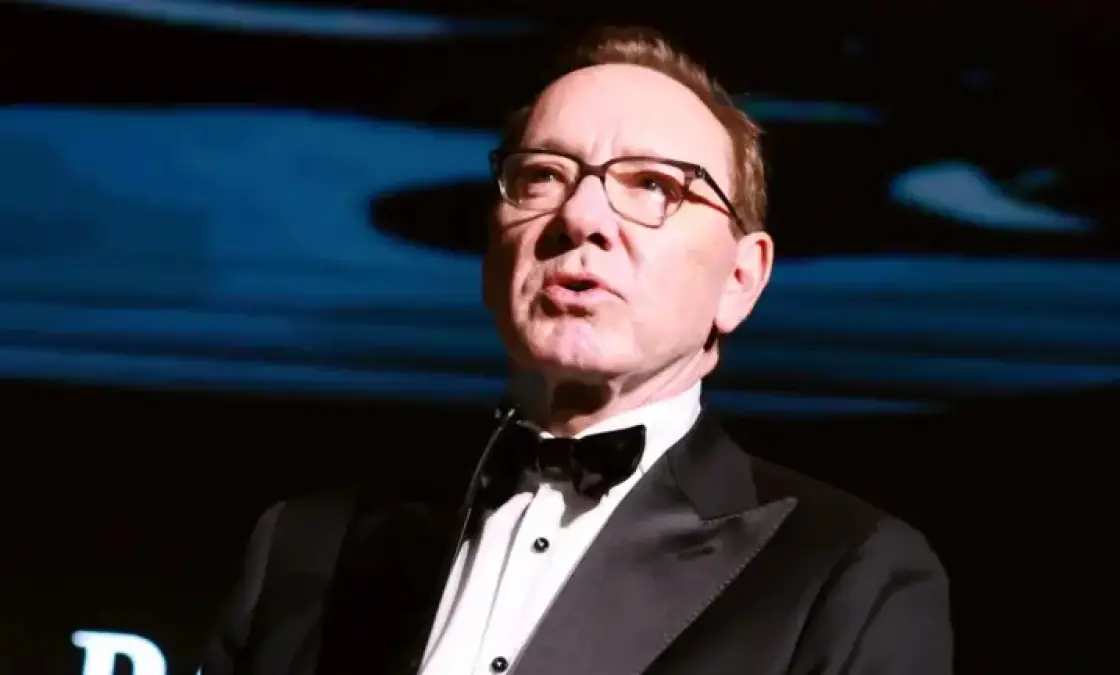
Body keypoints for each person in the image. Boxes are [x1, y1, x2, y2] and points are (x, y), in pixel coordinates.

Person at [200, 25, 953, 675]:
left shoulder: (849, 576)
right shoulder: (305, 546)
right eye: (542, 176)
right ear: (492, 250)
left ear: (741, 278)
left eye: (654, 185)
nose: (582, 215)